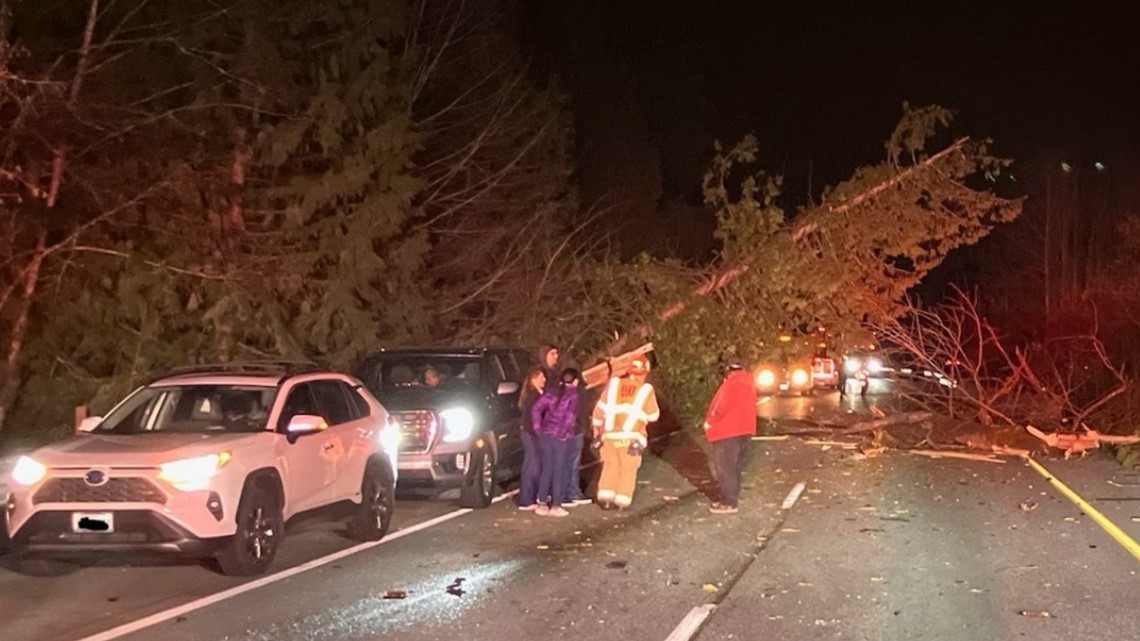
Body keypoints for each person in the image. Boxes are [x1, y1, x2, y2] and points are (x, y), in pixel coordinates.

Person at [592, 356, 659, 510]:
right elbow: (653, 415)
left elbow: (599, 409)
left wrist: (596, 427)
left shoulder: (614, 385)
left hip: (609, 435)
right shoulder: (645, 390)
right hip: (631, 438)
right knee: (628, 468)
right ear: (645, 372)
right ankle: (622, 501)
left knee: (610, 465)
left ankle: (605, 498)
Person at [702, 357, 758, 514]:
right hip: (745, 430)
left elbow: (720, 406)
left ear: (728, 369)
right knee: (735, 467)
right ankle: (731, 497)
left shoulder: (731, 383)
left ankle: (728, 502)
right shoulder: (749, 382)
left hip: (727, 432)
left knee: (725, 468)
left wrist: (710, 422)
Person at [531, 368, 583, 517]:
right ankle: (556, 504)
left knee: (547, 467)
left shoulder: (552, 391)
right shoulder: (573, 394)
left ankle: (541, 502)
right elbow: (570, 417)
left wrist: (538, 427)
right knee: (559, 469)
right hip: (561, 437)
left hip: (545, 434)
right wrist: (563, 433)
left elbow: (536, 408)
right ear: (574, 380)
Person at [516, 366, 546, 511]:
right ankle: (526, 499)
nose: (544, 380)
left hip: (530, 432)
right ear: (534, 379)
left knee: (534, 463)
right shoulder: (534, 395)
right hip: (532, 433)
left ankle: (531, 496)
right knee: (532, 464)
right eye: (541, 378)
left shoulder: (531, 394)